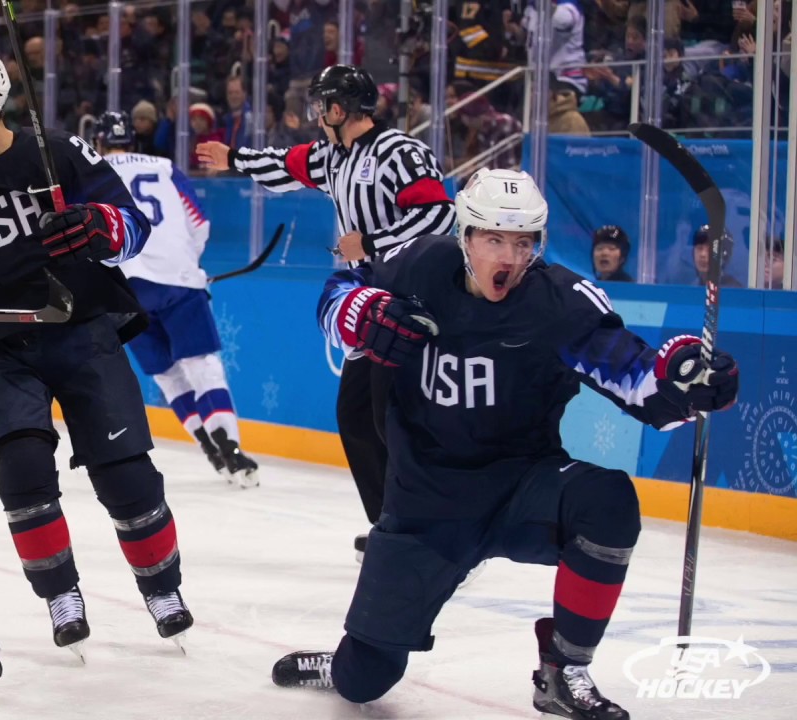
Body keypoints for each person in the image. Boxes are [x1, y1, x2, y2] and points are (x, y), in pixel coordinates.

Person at [270, 168, 740, 720]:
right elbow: (339, 293)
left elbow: (637, 381)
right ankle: (344, 664)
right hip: (425, 504)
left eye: (523, 243)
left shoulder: (561, 302)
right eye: (494, 239)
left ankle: (564, 672)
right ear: (466, 236)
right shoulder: (421, 264)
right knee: (365, 682)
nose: (511, 258)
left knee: (608, 502)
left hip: (523, 486)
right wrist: (359, 313)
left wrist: (686, 380)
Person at [0, 48, 193, 660]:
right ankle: (60, 595)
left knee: (126, 472)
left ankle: (161, 588)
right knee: (21, 473)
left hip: (81, 329)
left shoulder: (59, 153)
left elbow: (135, 226)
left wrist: (98, 224)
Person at [196, 64, 456, 560]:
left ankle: (424, 528)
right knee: (355, 415)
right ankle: (392, 525)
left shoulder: (399, 153)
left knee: (388, 415)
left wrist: (372, 241)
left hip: (411, 295)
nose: (315, 116)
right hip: (369, 298)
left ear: (339, 109)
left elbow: (440, 214)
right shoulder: (333, 156)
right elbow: (286, 165)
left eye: (321, 106)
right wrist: (233, 158)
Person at [94, 110, 260, 487]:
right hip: (178, 280)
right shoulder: (165, 167)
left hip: (124, 289)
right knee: (200, 363)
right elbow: (198, 224)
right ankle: (231, 449)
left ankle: (206, 444)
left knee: (168, 375)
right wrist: (187, 264)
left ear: (99, 143)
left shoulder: (91, 171)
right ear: (132, 141)